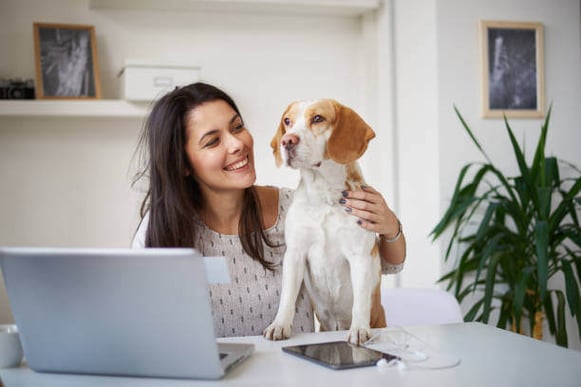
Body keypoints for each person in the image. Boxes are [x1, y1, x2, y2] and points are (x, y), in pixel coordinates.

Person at [132, 82, 406, 337]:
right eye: (213, 141)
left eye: (237, 127)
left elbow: (387, 265)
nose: (237, 144)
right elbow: (143, 324)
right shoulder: (161, 228)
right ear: (183, 164)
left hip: (298, 371)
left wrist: (390, 227)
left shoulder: (295, 208)